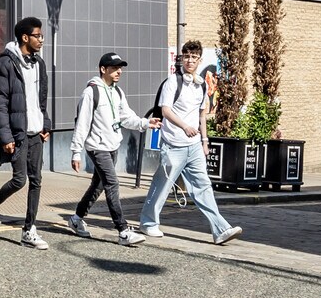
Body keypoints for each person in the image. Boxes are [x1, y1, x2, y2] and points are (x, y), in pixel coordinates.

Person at [137, 40, 242, 246]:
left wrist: (204, 140)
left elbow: (202, 115)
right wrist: (184, 126)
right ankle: (148, 222)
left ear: (200, 60)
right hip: (173, 143)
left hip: (194, 146)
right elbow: (166, 111)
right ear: (181, 58)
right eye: (186, 57)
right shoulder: (172, 83)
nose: (190, 60)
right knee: (163, 184)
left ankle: (220, 229)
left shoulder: (202, 85)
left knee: (203, 186)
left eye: (194, 57)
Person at [0, 17, 52, 249]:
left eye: (41, 36)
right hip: (18, 133)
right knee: (20, 180)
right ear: (25, 37)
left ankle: (29, 230)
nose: (41, 40)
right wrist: (6, 136)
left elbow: (41, 100)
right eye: (38, 36)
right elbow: (0, 103)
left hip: (35, 132)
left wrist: (45, 124)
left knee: (36, 180)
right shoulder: (7, 63)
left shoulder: (39, 63)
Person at [67, 51, 151, 246]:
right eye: (114, 68)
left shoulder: (118, 92)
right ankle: (123, 231)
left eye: (120, 68)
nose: (118, 72)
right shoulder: (91, 92)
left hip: (113, 145)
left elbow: (126, 117)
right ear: (103, 69)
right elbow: (82, 123)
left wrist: (145, 123)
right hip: (97, 147)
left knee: (98, 185)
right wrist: (76, 151)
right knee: (112, 184)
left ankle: (76, 219)